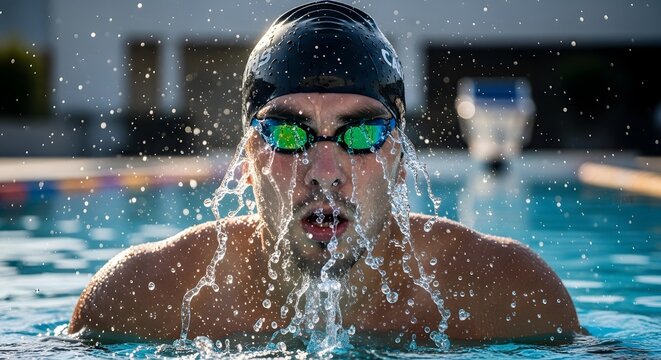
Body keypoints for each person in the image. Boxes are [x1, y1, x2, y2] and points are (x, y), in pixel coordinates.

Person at [68, 0, 580, 348]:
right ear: (248, 161)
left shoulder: (506, 293)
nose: (325, 172)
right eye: (289, 136)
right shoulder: (143, 297)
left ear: (400, 162)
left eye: (360, 136)